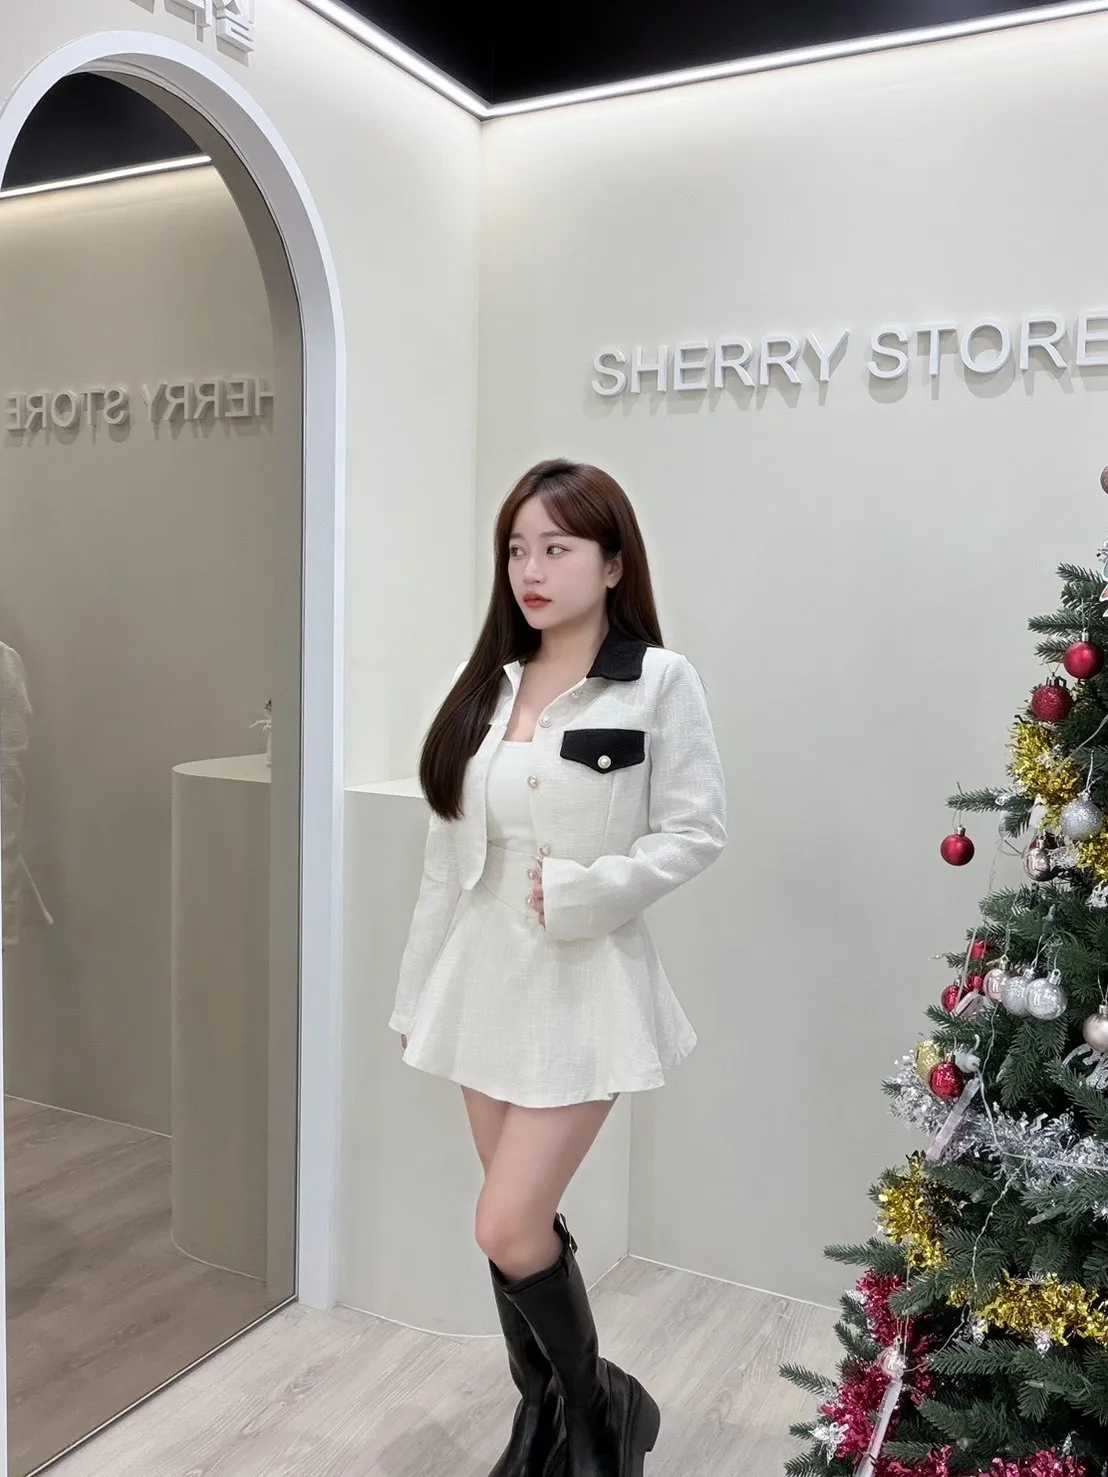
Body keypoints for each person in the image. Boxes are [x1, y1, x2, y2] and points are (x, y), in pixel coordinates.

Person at [388, 459, 727, 1477]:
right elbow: (445, 863)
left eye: (556, 547)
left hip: (585, 986)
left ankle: (599, 1406)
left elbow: (696, 830)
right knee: (515, 1226)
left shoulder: (657, 680)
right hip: (478, 983)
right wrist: (416, 993)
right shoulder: (488, 685)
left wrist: (591, 889)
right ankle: (550, 1410)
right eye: (517, 549)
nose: (530, 569)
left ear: (612, 563)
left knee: (506, 1219)